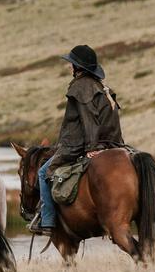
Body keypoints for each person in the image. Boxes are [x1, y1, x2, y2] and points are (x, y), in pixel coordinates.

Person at [31, 44, 125, 235]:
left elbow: (88, 118)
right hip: (114, 143)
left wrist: (92, 147)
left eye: (71, 64)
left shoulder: (80, 87)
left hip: (78, 145)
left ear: (78, 67)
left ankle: (47, 220)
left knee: (43, 172)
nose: (69, 67)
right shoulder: (102, 87)